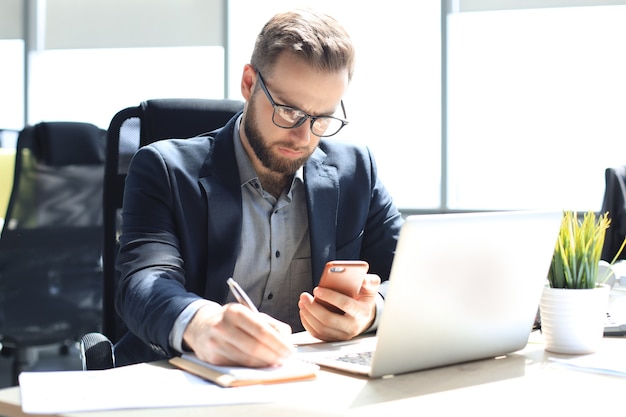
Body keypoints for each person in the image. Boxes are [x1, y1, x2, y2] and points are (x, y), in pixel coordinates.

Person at [114, 8, 404, 368]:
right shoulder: (164, 169)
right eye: (288, 111)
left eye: (322, 119)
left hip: (310, 382)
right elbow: (141, 284)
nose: (303, 137)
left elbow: (412, 277)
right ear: (249, 84)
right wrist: (202, 323)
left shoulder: (355, 170)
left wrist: (371, 310)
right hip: (186, 379)